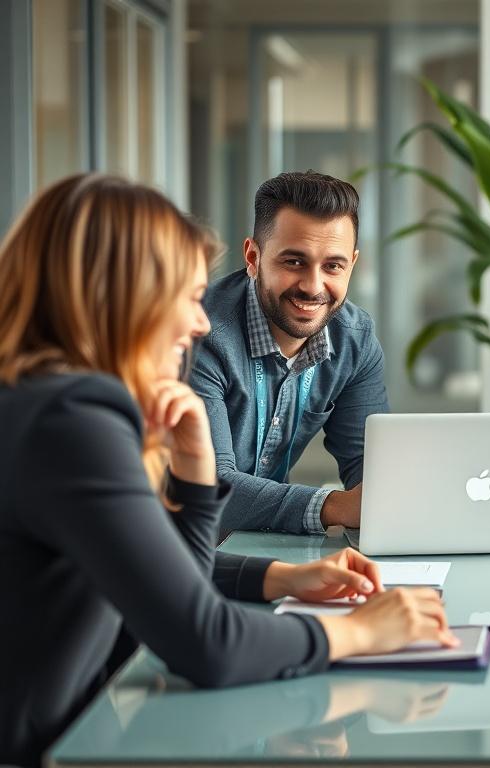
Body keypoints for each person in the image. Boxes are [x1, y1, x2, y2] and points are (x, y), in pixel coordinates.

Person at [0, 174, 455, 768]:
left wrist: (276, 575)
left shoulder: (46, 402)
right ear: (120, 294)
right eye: (185, 297)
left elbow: (152, 570)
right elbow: (203, 643)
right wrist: (362, 633)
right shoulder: (74, 422)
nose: (199, 323)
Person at [191, 171, 387, 534]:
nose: (314, 287)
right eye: (294, 262)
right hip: (174, 548)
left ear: (352, 265)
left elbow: (371, 472)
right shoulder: (197, 332)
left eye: (333, 265)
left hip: (256, 550)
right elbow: (209, 488)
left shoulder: (355, 341)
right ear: (253, 256)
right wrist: (334, 506)